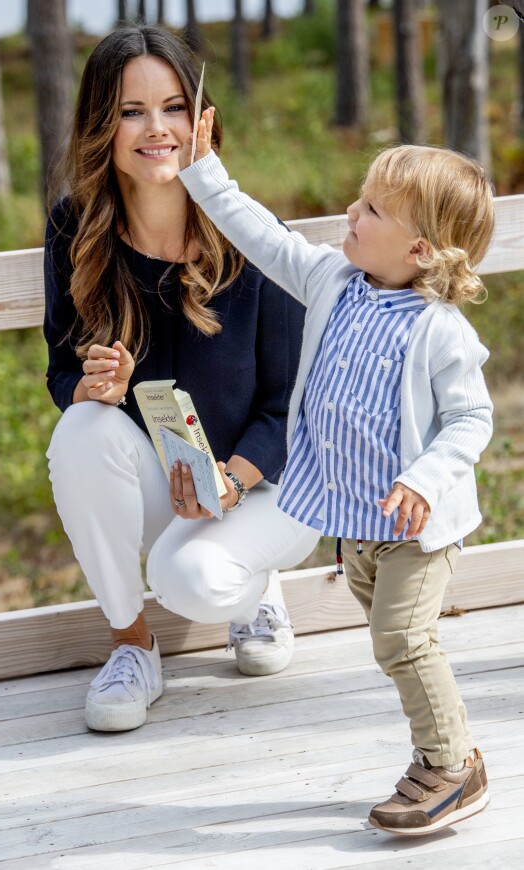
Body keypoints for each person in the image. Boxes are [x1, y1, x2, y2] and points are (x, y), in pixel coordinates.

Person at [178, 111, 495, 836]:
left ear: (418, 247)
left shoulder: (441, 330)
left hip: (413, 525)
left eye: (372, 209)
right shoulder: (330, 279)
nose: (350, 212)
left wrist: (424, 478)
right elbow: (261, 235)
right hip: (355, 524)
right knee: (392, 637)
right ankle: (445, 753)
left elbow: (471, 421)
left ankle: (450, 766)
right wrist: (203, 170)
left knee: (402, 641)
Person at [43, 27, 320, 734]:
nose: (156, 128)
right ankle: (132, 647)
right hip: (172, 483)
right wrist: (93, 387)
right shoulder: (76, 228)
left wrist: (231, 479)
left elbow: (292, 406)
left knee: (194, 581)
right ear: (102, 124)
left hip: (268, 487)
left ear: (203, 120)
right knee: (81, 430)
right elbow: (61, 367)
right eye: (132, 110)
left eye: (172, 106)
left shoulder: (251, 235)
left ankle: (256, 585)